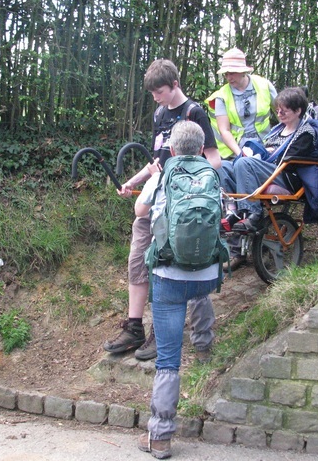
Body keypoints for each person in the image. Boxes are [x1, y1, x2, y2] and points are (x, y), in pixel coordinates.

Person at [103, 59, 221, 361]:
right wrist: (132, 182)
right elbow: (155, 161)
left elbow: (214, 161)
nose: (156, 98)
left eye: (160, 92)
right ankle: (134, 327)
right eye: (153, 93)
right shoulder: (159, 114)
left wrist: (180, 180)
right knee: (137, 260)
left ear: (175, 85)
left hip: (180, 209)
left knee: (167, 268)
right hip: (153, 202)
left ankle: (162, 331)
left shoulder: (194, 113)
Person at [135, 121, 221, 460]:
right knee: (198, 290)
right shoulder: (213, 175)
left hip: (169, 276)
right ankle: (204, 343)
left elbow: (140, 211)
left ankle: (160, 437)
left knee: (168, 360)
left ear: (171, 150)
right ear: (201, 149)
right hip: (206, 273)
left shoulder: (162, 176)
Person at [205, 48, 278, 271]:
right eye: (225, 73)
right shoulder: (221, 97)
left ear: (243, 71)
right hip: (235, 151)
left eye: (232, 72)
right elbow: (225, 130)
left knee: (245, 166)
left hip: (266, 150)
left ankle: (256, 227)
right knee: (221, 172)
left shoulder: (264, 86)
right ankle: (235, 248)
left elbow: (284, 112)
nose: (228, 77)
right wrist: (239, 152)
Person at [218, 87, 318, 231]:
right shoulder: (277, 130)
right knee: (222, 165)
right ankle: (233, 210)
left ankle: (252, 213)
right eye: (278, 110)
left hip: (287, 175)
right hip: (269, 169)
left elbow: (290, 161)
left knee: (245, 163)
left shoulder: (306, 133)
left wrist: (268, 153)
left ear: (298, 111)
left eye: (284, 111)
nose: (279, 114)